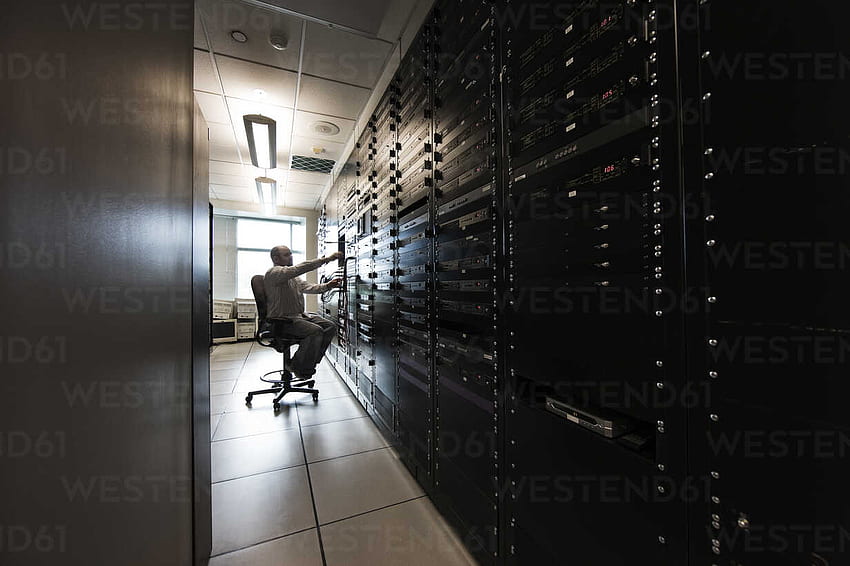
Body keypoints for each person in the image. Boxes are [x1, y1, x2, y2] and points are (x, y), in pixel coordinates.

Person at [264, 245, 343, 378]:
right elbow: (299, 268)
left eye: (290, 254)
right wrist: (327, 259)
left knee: (330, 327)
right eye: (286, 255)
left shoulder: (292, 278)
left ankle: (305, 363)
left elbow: (310, 288)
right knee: (315, 331)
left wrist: (328, 286)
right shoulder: (274, 273)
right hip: (282, 320)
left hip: (299, 317)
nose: (290, 257)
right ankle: (300, 368)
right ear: (275, 258)